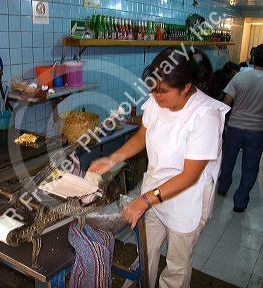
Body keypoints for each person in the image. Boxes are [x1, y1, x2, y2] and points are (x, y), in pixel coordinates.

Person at [88, 47, 229, 288]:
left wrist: (144, 201)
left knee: (177, 265)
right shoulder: (157, 100)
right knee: (145, 251)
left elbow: (189, 176)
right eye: (153, 89)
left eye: (163, 91)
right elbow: (142, 136)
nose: (156, 96)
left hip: (187, 201)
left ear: (186, 87)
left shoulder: (206, 115)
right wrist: (112, 159)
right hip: (153, 189)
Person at [218, 43, 263, 212]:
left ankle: (222, 187)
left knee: (228, 160)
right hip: (257, 132)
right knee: (251, 166)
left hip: (235, 127)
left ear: (253, 57)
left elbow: (226, 103)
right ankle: (240, 202)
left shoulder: (239, 77)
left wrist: (221, 127)